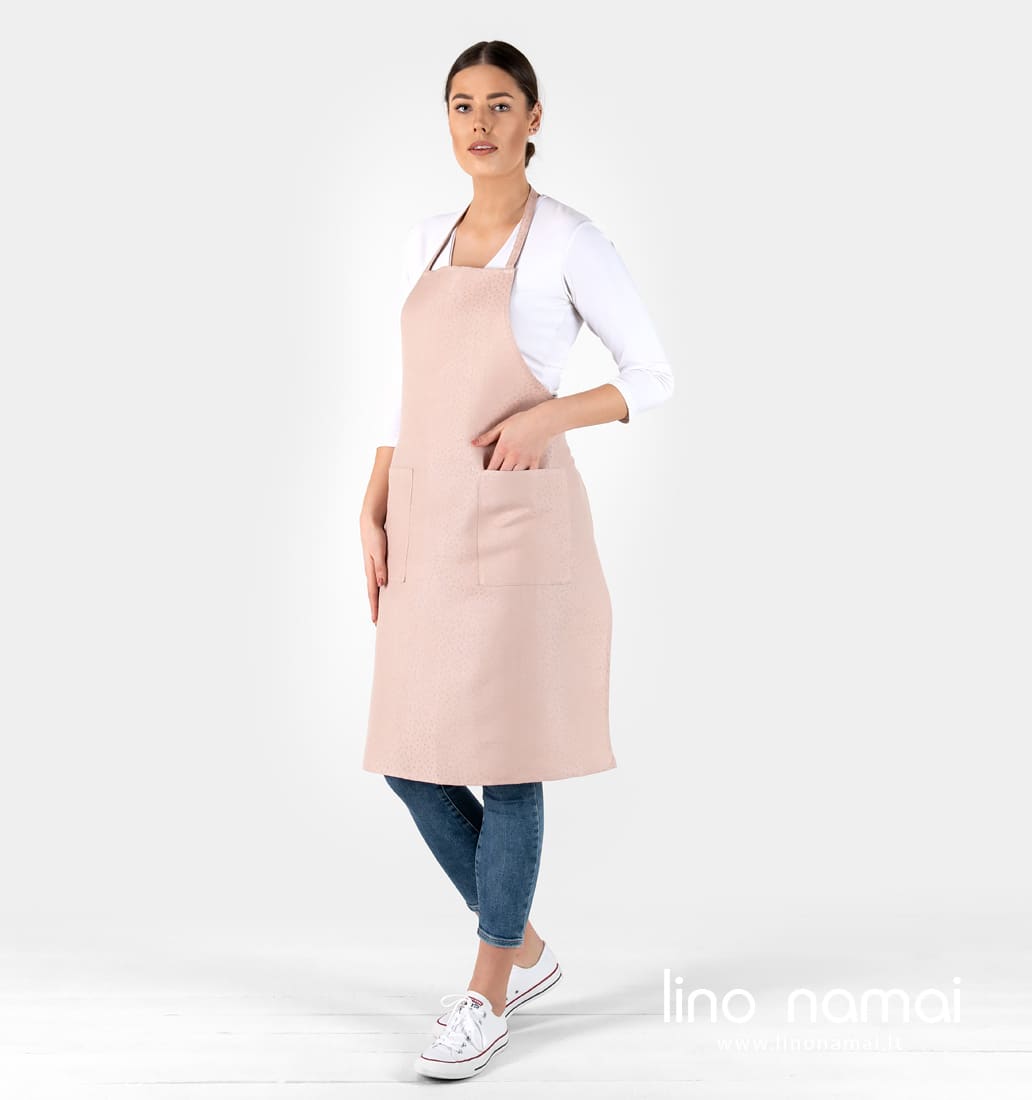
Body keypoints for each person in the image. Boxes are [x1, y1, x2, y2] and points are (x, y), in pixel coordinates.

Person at [357, 40, 674, 1081]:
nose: (480, 123)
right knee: (408, 757)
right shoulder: (426, 239)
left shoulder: (571, 241)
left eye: (500, 104)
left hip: (514, 525)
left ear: (535, 118)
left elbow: (650, 374)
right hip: (425, 517)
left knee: (507, 755)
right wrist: (373, 496)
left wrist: (547, 416)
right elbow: (405, 391)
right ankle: (526, 945)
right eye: (462, 105)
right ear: (446, 121)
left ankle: (487, 988)